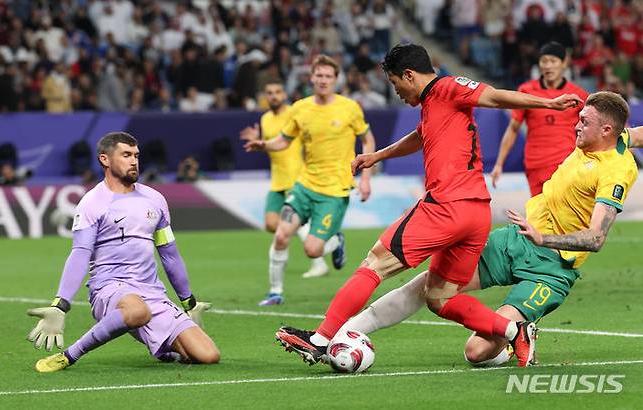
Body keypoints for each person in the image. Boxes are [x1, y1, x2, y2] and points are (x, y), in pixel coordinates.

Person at [274, 44, 582, 367]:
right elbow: (420, 136)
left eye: (396, 84)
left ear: (409, 75)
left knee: (375, 263)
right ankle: (514, 331)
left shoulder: (447, 88)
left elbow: (494, 96)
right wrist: (377, 156)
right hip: (476, 215)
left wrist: (548, 103)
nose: (397, 92)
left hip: (446, 205)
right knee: (439, 297)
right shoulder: (434, 106)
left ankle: (320, 339)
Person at [339, 91, 641, 367]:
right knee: (431, 286)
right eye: (578, 119)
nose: (576, 126)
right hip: (516, 241)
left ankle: (519, 334)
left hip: (554, 268)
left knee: (477, 354)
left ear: (606, 131)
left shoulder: (615, 171)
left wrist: (544, 238)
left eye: (584, 122)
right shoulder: (615, 137)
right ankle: (347, 331)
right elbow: (636, 134)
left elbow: (596, 238)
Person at [27, 132, 220, 372]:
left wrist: (188, 302)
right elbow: (80, 252)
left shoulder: (155, 199)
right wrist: (60, 305)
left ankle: (165, 352)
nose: (134, 161)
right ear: (105, 160)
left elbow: (169, 253)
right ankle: (69, 355)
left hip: (152, 292)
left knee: (208, 355)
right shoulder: (92, 202)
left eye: (136, 156)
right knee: (137, 311)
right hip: (109, 288)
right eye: (126, 155)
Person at [244, 55, 375, 306]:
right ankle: (275, 292)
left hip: (335, 190)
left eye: (329, 76)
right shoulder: (301, 108)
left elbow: (368, 140)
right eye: (320, 75)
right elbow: (284, 139)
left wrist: (366, 178)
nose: (323, 80)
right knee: (281, 235)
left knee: (312, 250)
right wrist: (264, 145)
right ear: (311, 77)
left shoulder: (349, 108)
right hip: (304, 185)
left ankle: (336, 240)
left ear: (336, 80)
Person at [240, 81, 330, 281]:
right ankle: (319, 236)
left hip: (295, 176)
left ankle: (318, 262)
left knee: (287, 224)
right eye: (270, 93)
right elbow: (274, 145)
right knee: (271, 224)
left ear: (284, 94)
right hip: (277, 180)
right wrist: (260, 141)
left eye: (277, 92)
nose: (274, 96)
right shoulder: (265, 118)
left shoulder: (294, 113)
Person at [491, 42, 590, 196]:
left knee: (564, 216)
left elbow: (592, 128)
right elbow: (513, 128)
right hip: (535, 165)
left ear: (564, 63)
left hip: (566, 164)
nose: (548, 66)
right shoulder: (526, 91)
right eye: (544, 61)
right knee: (538, 217)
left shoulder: (577, 95)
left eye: (553, 61)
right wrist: (499, 163)